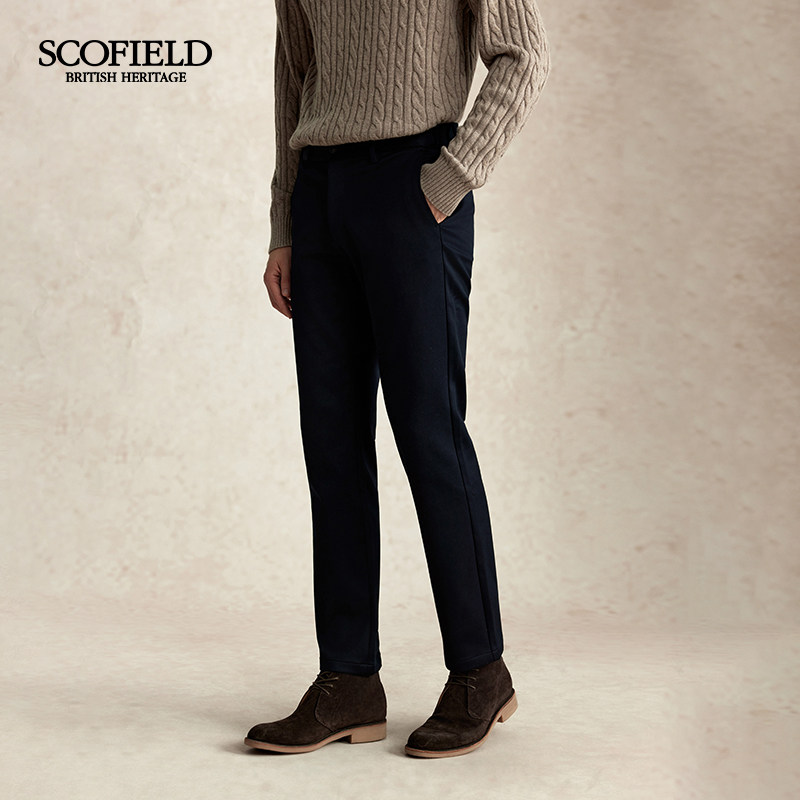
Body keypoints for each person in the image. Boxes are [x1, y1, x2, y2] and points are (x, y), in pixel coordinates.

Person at [246, 0, 550, 758]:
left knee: (429, 431)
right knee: (333, 444)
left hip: (413, 186)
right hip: (321, 193)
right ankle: (348, 679)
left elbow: (522, 53)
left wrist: (454, 177)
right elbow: (294, 76)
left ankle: (480, 670)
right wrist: (285, 224)